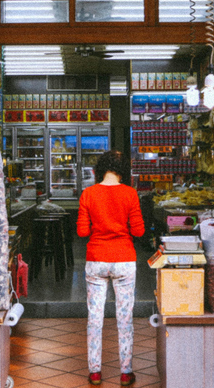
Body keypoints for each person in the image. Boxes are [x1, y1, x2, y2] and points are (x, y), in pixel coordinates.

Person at [77, 150, 145, 386]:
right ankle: (126, 372)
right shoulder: (130, 193)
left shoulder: (88, 193)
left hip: (96, 258)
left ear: (99, 168)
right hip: (124, 259)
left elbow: (82, 231)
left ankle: (95, 372)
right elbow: (138, 231)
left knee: (94, 318)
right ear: (122, 170)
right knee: (124, 318)